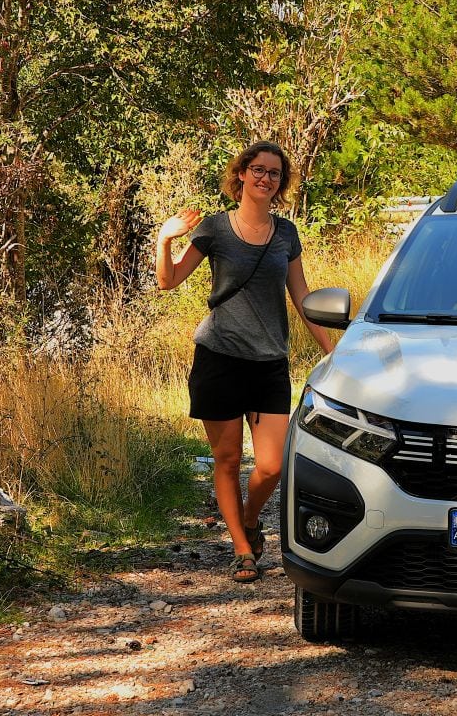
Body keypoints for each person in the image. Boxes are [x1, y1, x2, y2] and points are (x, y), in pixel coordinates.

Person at [155, 141, 333, 583]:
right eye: (258, 170)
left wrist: (334, 350)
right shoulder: (215, 229)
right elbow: (168, 281)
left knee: (271, 465)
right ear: (240, 175)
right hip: (219, 357)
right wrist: (165, 238)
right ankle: (241, 550)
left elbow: (303, 296)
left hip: (269, 361)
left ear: (280, 183)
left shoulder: (287, 234)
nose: (265, 178)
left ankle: (252, 521)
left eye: (274, 173)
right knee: (228, 460)